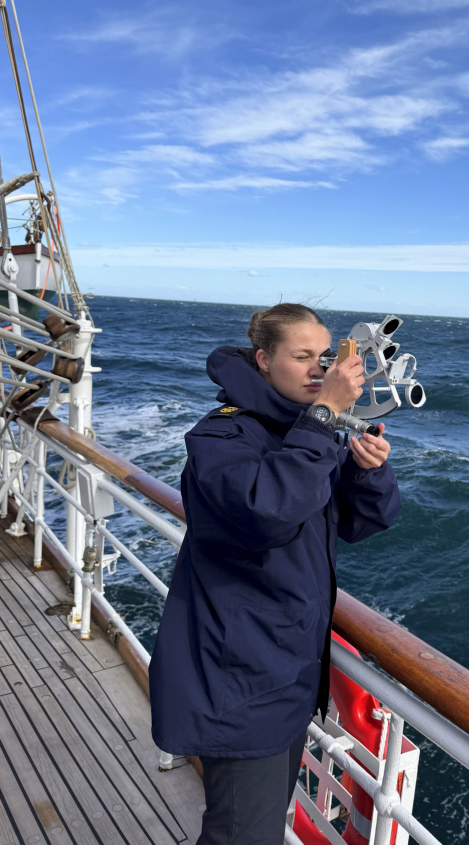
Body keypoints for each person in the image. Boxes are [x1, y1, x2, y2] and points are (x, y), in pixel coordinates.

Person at [149, 303, 401, 845]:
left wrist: (366, 471)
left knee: (253, 827)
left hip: (286, 672)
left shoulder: (305, 432)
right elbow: (267, 512)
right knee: (241, 835)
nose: (320, 369)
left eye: (325, 356)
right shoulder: (223, 438)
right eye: (302, 356)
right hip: (240, 677)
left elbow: (360, 523)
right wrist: (324, 420)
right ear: (263, 360)